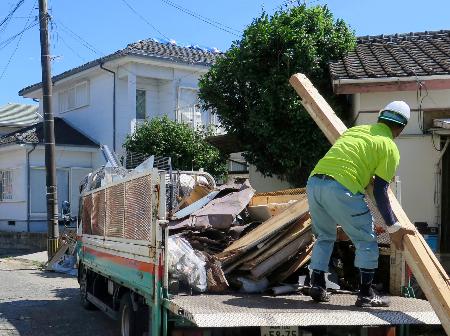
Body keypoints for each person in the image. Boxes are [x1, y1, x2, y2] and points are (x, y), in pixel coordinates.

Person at [306, 101, 415, 307]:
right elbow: (381, 191)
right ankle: (366, 293)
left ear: (380, 117)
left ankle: (317, 284)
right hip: (342, 188)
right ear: (401, 128)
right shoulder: (389, 147)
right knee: (366, 240)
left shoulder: (355, 131)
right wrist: (393, 226)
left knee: (324, 236)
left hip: (314, 183)